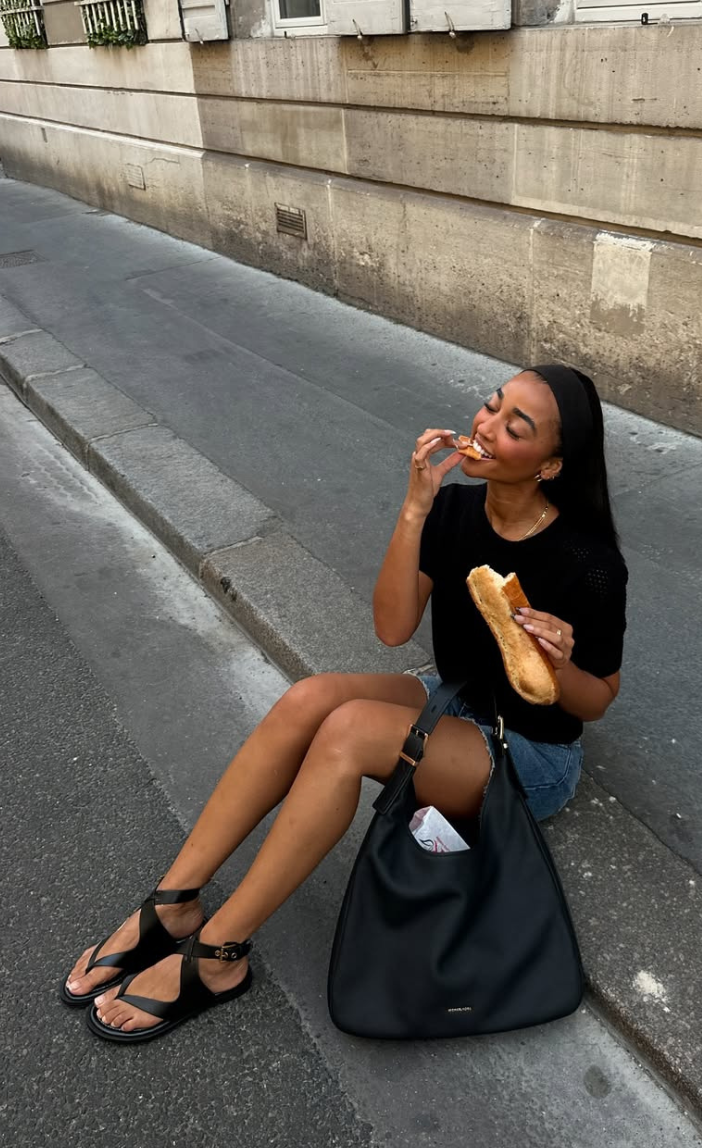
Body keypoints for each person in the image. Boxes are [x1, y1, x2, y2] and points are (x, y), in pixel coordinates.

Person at [61, 364, 628, 1043]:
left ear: (550, 464)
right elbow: (392, 627)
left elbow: (596, 700)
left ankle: (218, 955)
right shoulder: (453, 510)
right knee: (312, 698)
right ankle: (175, 901)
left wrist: (560, 666)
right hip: (454, 699)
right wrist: (415, 508)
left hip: (529, 751)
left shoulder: (589, 561)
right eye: (491, 405)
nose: (486, 425)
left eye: (517, 426)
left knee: (351, 731)